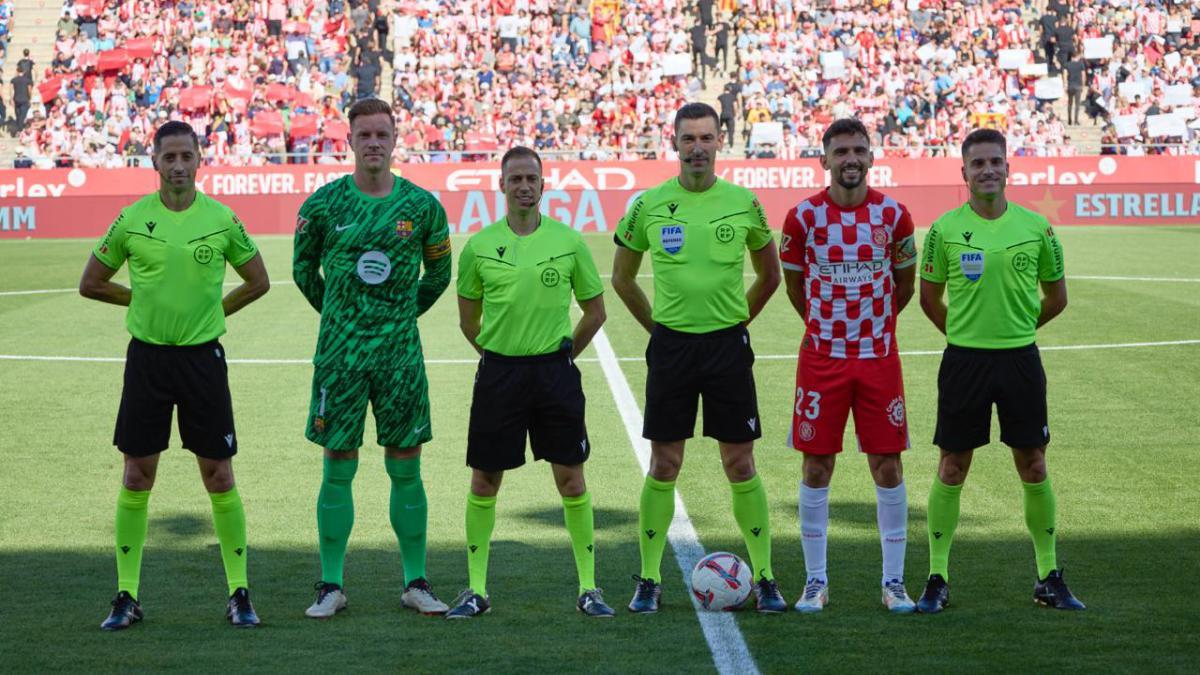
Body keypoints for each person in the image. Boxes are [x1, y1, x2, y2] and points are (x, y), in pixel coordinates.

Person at [79, 120, 271, 631]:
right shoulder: (132, 219)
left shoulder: (222, 219)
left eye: (187, 156)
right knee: (137, 475)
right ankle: (126, 596)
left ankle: (239, 593)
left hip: (202, 361)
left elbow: (259, 281)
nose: (179, 166)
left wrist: (218, 312)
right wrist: (135, 297)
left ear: (200, 159)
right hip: (148, 361)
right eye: (170, 157)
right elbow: (91, 282)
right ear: (155, 162)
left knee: (220, 475)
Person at [611, 102, 785, 614]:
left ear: (720, 141)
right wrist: (657, 329)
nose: (698, 148)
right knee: (665, 463)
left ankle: (767, 576)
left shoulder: (744, 203)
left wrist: (736, 323)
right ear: (675, 143)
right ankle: (647, 578)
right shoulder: (648, 206)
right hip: (673, 349)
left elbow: (770, 275)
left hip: (727, 347)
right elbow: (621, 278)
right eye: (688, 139)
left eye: (706, 138)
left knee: (740, 461)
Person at [293, 97, 453, 619]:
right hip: (339, 357)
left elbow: (439, 277)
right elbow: (302, 272)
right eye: (364, 136)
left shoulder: (423, 207)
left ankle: (415, 582)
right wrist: (341, 318)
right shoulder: (321, 206)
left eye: (382, 134)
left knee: (406, 466)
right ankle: (330, 586)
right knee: (338, 465)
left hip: (400, 357)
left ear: (395, 139)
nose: (374, 144)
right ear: (350, 142)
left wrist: (400, 318)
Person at [916, 128, 1084, 613]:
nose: (987, 169)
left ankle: (1049, 576)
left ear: (1008, 168)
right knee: (952, 466)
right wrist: (965, 334)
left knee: (1033, 463)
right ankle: (937, 576)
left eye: (995, 161)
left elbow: (1057, 297)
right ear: (963, 172)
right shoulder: (945, 230)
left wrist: (1017, 330)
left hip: (1021, 361)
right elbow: (930, 298)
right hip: (964, 361)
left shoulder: (1036, 228)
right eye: (978, 163)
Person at [446, 146, 612, 619]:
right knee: (484, 480)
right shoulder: (479, 246)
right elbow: (467, 320)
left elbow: (596, 312)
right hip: (499, 375)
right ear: (501, 185)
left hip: (554, 375)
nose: (523, 186)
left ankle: (589, 588)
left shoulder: (569, 241)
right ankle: (476, 590)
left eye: (531, 179)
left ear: (544, 185)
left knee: (571, 479)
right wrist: (498, 356)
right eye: (515, 178)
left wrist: (564, 356)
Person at [779, 119, 918, 614]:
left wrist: (871, 329)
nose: (850, 158)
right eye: (841, 151)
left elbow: (905, 286)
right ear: (824, 159)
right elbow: (796, 289)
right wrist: (829, 328)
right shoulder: (802, 218)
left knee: (887, 464)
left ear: (872, 156)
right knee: (817, 465)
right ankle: (815, 581)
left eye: (859, 149)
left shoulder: (895, 216)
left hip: (879, 359)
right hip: (822, 360)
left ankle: (894, 582)